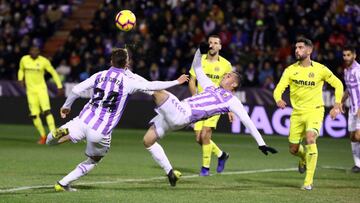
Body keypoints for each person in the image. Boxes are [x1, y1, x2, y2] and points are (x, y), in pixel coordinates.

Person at [46, 48, 189, 191]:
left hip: (84, 119)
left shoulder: (99, 75)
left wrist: (66, 106)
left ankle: (55, 135)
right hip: (101, 129)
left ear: (110, 61)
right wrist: (176, 81)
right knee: (93, 160)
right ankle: (63, 183)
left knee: (52, 141)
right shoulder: (128, 82)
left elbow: (76, 90)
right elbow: (153, 86)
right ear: (127, 63)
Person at [143, 48, 278, 187]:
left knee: (155, 90)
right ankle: (170, 173)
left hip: (183, 114)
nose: (225, 75)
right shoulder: (211, 86)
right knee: (148, 141)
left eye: (229, 76)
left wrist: (261, 143)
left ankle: (129, 79)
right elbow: (197, 67)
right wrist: (199, 50)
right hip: (178, 115)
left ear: (234, 84)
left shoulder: (231, 100)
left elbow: (247, 121)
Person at [273, 38, 344, 190]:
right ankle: (304, 158)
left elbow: (338, 84)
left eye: (300, 47)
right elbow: (278, 88)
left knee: (310, 138)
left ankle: (308, 182)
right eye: (296, 47)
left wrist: (337, 103)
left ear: (309, 50)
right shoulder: (290, 70)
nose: (296, 50)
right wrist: (278, 99)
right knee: (293, 149)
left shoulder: (320, 69)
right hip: (297, 113)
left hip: (315, 110)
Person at [188, 35, 233, 176]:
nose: (212, 45)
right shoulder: (199, 60)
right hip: (200, 103)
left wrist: (230, 108)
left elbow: (229, 87)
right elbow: (192, 80)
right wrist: (194, 97)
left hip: (215, 104)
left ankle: (205, 168)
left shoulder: (226, 65)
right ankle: (221, 155)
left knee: (205, 134)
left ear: (220, 46)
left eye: (216, 43)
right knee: (199, 138)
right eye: (210, 43)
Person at [18, 46, 63, 144]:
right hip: (30, 91)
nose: (34, 52)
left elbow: (53, 72)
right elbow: (21, 70)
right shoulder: (24, 59)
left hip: (41, 90)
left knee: (47, 111)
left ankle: (54, 134)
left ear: (39, 52)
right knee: (34, 115)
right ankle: (43, 136)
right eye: (32, 50)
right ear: (29, 51)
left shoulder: (44, 61)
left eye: (36, 50)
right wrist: (20, 79)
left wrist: (59, 86)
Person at [340, 46, 360, 173]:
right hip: (352, 108)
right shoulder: (346, 71)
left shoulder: (358, 70)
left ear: (354, 55)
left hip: (359, 108)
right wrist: (340, 102)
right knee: (353, 137)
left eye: (348, 55)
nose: (346, 57)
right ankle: (358, 165)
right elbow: (348, 89)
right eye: (344, 55)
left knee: (358, 136)